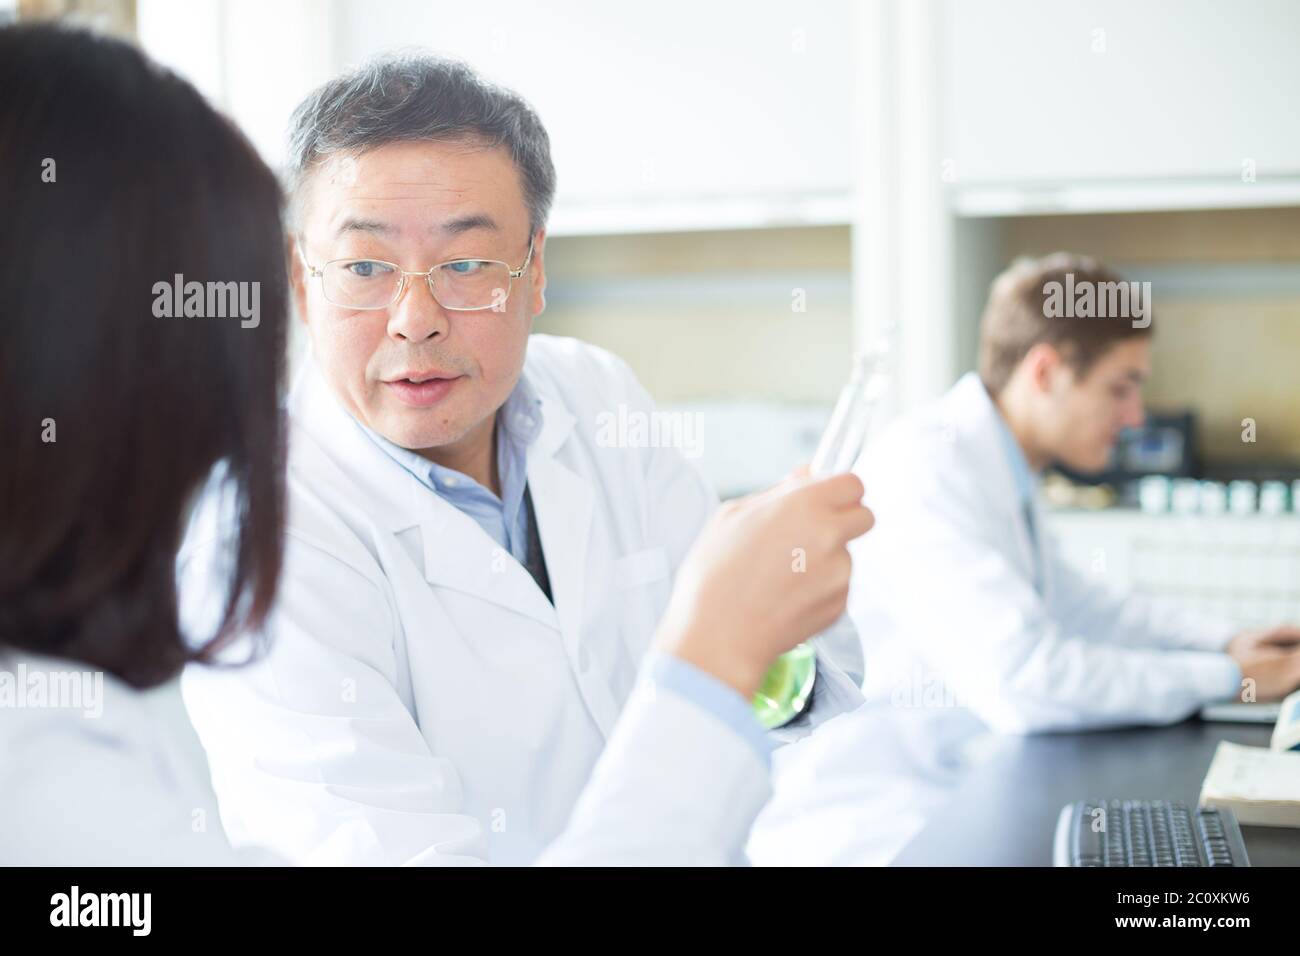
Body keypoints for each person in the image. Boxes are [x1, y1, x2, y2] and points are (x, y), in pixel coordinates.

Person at [0, 23, 873, 867]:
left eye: (465, 265)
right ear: (303, 283)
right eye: (365, 267)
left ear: (535, 273)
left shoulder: (596, 396)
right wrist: (716, 650)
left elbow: (788, 695)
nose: (414, 320)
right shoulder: (264, 545)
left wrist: (766, 638)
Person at [846, 253, 1300, 761]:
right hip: (897, 811)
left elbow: (1082, 609)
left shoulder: (1003, 463)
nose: (1134, 417)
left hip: (966, 772)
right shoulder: (925, 468)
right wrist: (1232, 677)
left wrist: (1227, 642)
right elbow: (1026, 679)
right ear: (1045, 372)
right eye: (1120, 388)